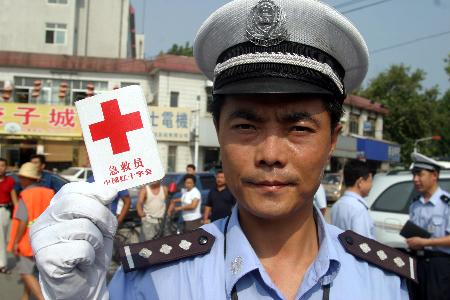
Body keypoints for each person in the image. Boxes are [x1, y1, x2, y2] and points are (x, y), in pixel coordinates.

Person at [30, 1, 414, 299]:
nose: (270, 153)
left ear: (333, 139)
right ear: (218, 132)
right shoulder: (153, 280)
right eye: (246, 126)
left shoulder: (386, 282)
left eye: (298, 128)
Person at [406, 152, 450, 300]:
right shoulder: (415, 204)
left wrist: (425, 243)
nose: (415, 179)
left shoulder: (446, 204)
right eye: (413, 175)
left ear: (434, 175)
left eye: (419, 174)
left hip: (439, 265)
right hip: (417, 263)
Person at [7, 163, 54, 300]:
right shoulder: (49, 193)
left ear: (28, 179)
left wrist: (15, 241)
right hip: (47, 238)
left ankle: (41, 298)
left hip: (28, 240)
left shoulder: (26, 195)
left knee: (25, 272)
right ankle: (26, 296)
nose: (20, 180)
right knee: (35, 272)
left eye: (22, 178)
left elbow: (23, 220)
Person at [330, 159, 374, 238]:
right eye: (370, 181)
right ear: (360, 182)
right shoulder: (359, 209)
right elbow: (362, 243)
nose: (372, 185)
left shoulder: (337, 205)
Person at [0, 158, 17, 274]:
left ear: (6, 167)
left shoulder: (10, 181)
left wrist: (17, 214)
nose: (0, 168)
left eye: (2, 165)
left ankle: (2, 264)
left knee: (2, 239)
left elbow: (14, 199)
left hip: (3, 211)